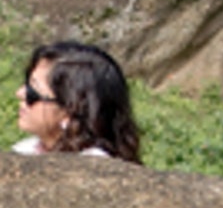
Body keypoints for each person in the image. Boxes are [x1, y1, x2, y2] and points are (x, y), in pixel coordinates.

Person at [12, 41, 142, 162]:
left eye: (32, 91)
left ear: (70, 110)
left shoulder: (95, 167)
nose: (20, 93)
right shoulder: (26, 149)